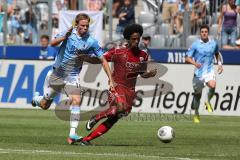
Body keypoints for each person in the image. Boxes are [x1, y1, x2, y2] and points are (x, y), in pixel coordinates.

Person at [31, 13, 115, 144]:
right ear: (76, 25)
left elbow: (103, 61)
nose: (85, 28)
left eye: (87, 26)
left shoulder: (91, 42)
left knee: (76, 100)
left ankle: (72, 134)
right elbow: (52, 44)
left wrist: (110, 78)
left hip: (73, 75)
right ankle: (36, 99)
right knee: (45, 104)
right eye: (82, 26)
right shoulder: (68, 34)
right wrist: (65, 36)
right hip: (57, 75)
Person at [80, 24, 157, 145]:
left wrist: (149, 74)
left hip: (130, 91)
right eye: (133, 39)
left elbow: (142, 74)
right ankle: (96, 117)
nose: (136, 41)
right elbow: (100, 59)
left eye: (138, 39)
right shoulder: (118, 52)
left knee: (115, 117)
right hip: (117, 86)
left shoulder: (143, 55)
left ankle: (86, 140)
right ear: (128, 39)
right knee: (120, 107)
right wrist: (85, 58)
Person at [185, 25, 223, 124]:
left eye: (206, 31)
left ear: (208, 33)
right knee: (198, 95)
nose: (204, 33)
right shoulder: (195, 45)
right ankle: (196, 113)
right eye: (202, 32)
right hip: (198, 74)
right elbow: (187, 58)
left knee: (213, 85)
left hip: (209, 71)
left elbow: (217, 53)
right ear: (200, 33)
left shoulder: (213, 44)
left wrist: (219, 64)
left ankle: (208, 102)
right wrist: (195, 63)